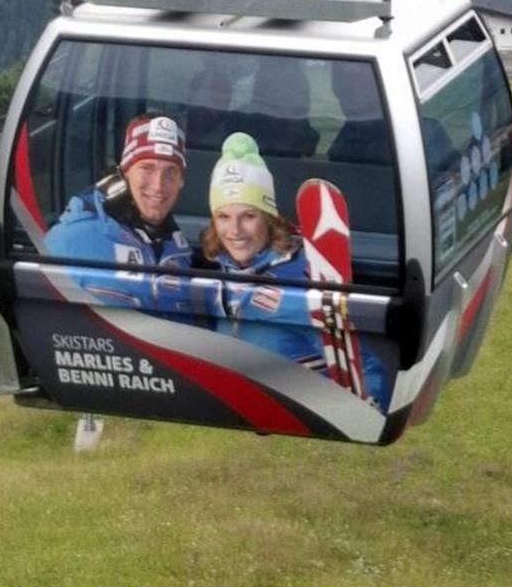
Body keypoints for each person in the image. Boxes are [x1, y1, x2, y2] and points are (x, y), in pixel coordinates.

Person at [200, 132, 387, 406]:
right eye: (223, 217)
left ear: (268, 218)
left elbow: (361, 363)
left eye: (249, 216)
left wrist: (370, 410)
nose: (235, 230)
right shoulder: (222, 275)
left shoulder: (300, 285)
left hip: (304, 415)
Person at [44, 113, 196, 308]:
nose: (158, 185)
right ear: (125, 172)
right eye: (147, 168)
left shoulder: (178, 251)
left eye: (171, 172)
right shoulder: (70, 240)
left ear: (181, 181)